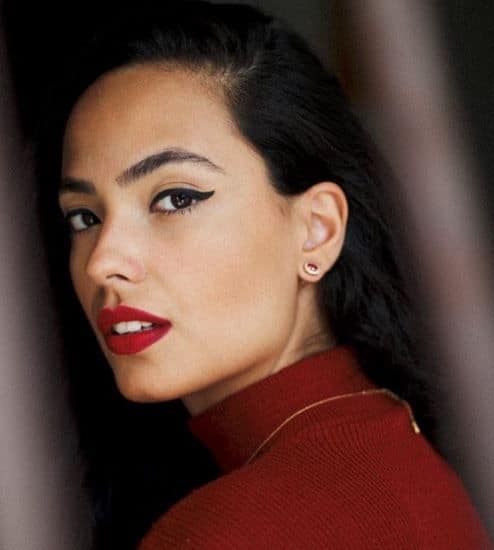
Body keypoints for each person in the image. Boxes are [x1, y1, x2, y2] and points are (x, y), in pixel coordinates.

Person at [35, 1, 493, 548]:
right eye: (84, 218)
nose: (101, 261)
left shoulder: (233, 530)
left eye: (175, 198)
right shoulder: (396, 449)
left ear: (317, 230)